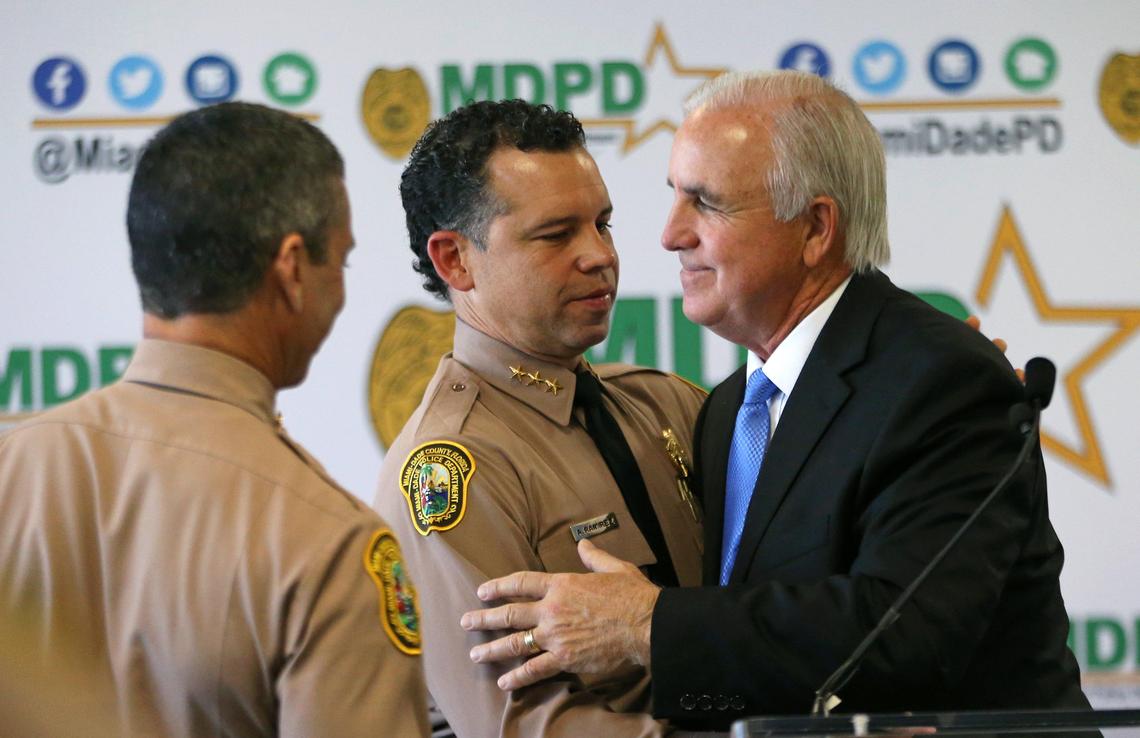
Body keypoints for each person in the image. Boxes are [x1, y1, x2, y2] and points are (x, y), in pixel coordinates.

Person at [461, 71, 1091, 730]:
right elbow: (762, 656)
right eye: (673, 197)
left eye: (705, 202)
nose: (670, 234)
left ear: (816, 228)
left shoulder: (941, 381)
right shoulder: (730, 410)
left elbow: (904, 638)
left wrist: (646, 623)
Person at [0, 102, 430, 738]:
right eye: (340, 260)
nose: (341, 288)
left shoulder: (11, 467)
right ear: (291, 271)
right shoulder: (330, 546)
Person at [374, 100, 707, 737]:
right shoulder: (449, 468)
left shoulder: (666, 403)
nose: (600, 256)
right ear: (454, 260)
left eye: (602, 224)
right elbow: (527, 728)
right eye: (556, 235)